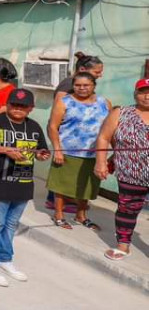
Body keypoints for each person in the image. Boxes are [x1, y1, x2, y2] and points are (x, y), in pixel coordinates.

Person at [0, 88, 50, 286]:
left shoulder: (34, 126)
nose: (18, 109)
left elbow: (41, 149)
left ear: (30, 108)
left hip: (23, 183)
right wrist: (4, 150)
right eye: (14, 105)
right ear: (7, 105)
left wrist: (42, 154)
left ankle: (5, 259)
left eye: (23, 106)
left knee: (10, 225)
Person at [46, 72, 111, 230]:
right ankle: (59, 215)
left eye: (86, 85)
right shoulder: (64, 102)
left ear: (94, 86)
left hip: (94, 153)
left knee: (87, 187)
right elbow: (53, 127)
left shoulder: (104, 103)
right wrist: (58, 150)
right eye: (78, 85)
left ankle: (81, 215)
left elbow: (109, 128)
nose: (81, 88)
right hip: (68, 152)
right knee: (61, 186)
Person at [96, 78, 149, 261]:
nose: (147, 95)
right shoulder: (121, 112)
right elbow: (103, 137)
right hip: (129, 173)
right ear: (136, 94)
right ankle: (123, 245)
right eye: (143, 91)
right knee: (127, 210)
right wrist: (101, 162)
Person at [48, 53, 104, 211]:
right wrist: (58, 148)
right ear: (82, 70)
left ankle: (76, 208)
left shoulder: (101, 100)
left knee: (80, 180)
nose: (100, 75)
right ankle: (57, 205)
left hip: (87, 149)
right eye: (97, 72)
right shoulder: (68, 85)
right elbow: (57, 116)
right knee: (62, 179)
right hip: (66, 138)